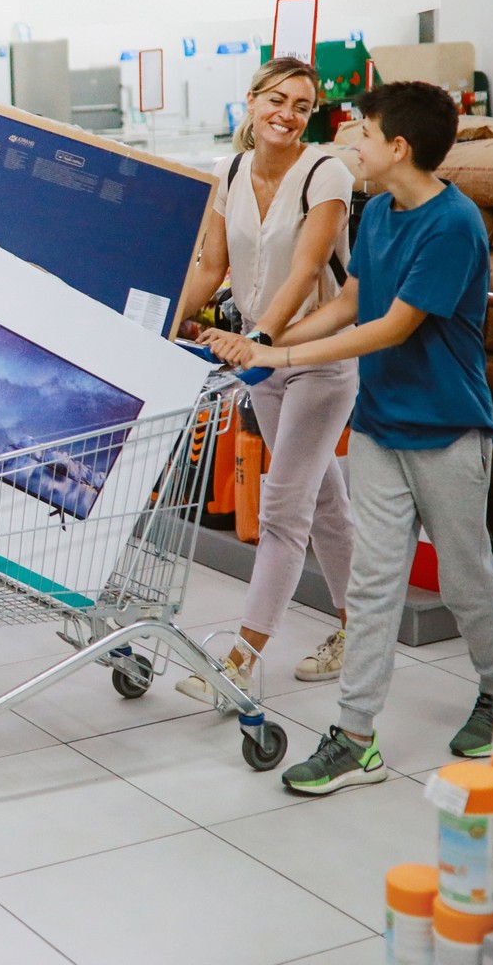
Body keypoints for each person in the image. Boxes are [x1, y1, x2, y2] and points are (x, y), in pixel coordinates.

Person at [204, 80, 493, 796]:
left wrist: (279, 356)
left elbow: (391, 326)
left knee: (465, 576)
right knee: (375, 588)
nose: (353, 144)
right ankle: (354, 737)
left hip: (447, 430)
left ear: (398, 147)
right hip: (381, 426)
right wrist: (264, 341)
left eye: (365, 134)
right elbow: (351, 300)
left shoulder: (453, 226)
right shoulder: (378, 212)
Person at [174, 57, 358, 705]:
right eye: (277, 99)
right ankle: (357, 630)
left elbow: (309, 270)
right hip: (262, 362)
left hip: (316, 359)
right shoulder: (228, 173)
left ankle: (241, 661)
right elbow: (211, 265)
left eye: (302, 105)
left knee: (283, 510)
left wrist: (260, 342)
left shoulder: (325, 172)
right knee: (326, 501)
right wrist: (167, 321)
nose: (287, 113)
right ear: (251, 102)